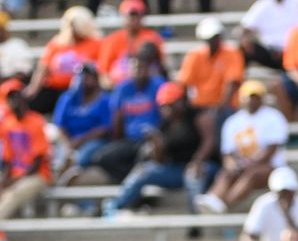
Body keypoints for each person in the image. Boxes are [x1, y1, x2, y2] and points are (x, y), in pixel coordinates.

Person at [107, 81, 217, 216]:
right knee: (143, 171)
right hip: (177, 170)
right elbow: (161, 161)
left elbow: (209, 141)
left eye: (170, 105)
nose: (166, 110)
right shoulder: (164, 124)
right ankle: (113, 208)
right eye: (163, 106)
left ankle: (196, 221)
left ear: (180, 101)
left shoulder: (199, 115)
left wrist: (197, 161)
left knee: (193, 175)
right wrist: (157, 145)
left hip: (205, 166)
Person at [195, 80, 288, 215]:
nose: (251, 101)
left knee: (252, 174)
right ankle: (213, 198)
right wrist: (232, 165)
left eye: (255, 97)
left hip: (269, 167)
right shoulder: (233, 121)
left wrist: (250, 163)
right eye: (248, 97)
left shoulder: (274, 117)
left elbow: (271, 150)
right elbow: (228, 154)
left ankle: (224, 205)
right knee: (227, 173)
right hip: (244, 165)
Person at [90, 46, 163, 184]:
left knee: (146, 156)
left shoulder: (158, 85)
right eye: (135, 68)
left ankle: (137, 183)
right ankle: (128, 180)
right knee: (101, 157)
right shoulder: (123, 88)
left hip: (151, 139)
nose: (138, 71)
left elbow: (164, 113)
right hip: (129, 140)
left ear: (148, 68)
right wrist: (118, 140)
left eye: (141, 67)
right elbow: (117, 118)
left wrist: (158, 136)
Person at [26, 6, 100, 116]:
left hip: (80, 91)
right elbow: (43, 67)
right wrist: (33, 89)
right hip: (54, 88)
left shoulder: (95, 44)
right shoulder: (57, 44)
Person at [0, 83, 51, 222]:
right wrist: (5, 179)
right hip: (16, 175)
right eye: (10, 98)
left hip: (38, 175)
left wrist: (17, 179)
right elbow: (8, 159)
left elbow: (38, 159)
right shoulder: (8, 124)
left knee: (13, 194)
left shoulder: (36, 121)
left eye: (16, 97)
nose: (14, 102)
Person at [52, 63, 111, 179]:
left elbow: (105, 128)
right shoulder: (68, 98)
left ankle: (70, 175)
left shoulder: (104, 99)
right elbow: (59, 125)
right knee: (58, 155)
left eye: (88, 76)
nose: (84, 80)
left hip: (93, 140)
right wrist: (68, 144)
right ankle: (59, 176)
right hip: (69, 140)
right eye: (81, 76)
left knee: (83, 156)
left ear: (95, 79)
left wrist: (81, 140)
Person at [177, 18, 244, 112]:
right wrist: (189, 106)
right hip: (199, 106)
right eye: (210, 38)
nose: (214, 41)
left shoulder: (231, 53)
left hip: (226, 106)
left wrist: (221, 107)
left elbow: (233, 82)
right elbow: (184, 83)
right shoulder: (194, 55)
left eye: (216, 37)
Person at [98, 0, 163, 86]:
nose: (133, 20)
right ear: (123, 16)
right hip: (118, 86)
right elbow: (104, 72)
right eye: (130, 16)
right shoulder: (112, 40)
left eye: (137, 16)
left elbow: (160, 66)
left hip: (147, 85)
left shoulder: (152, 37)